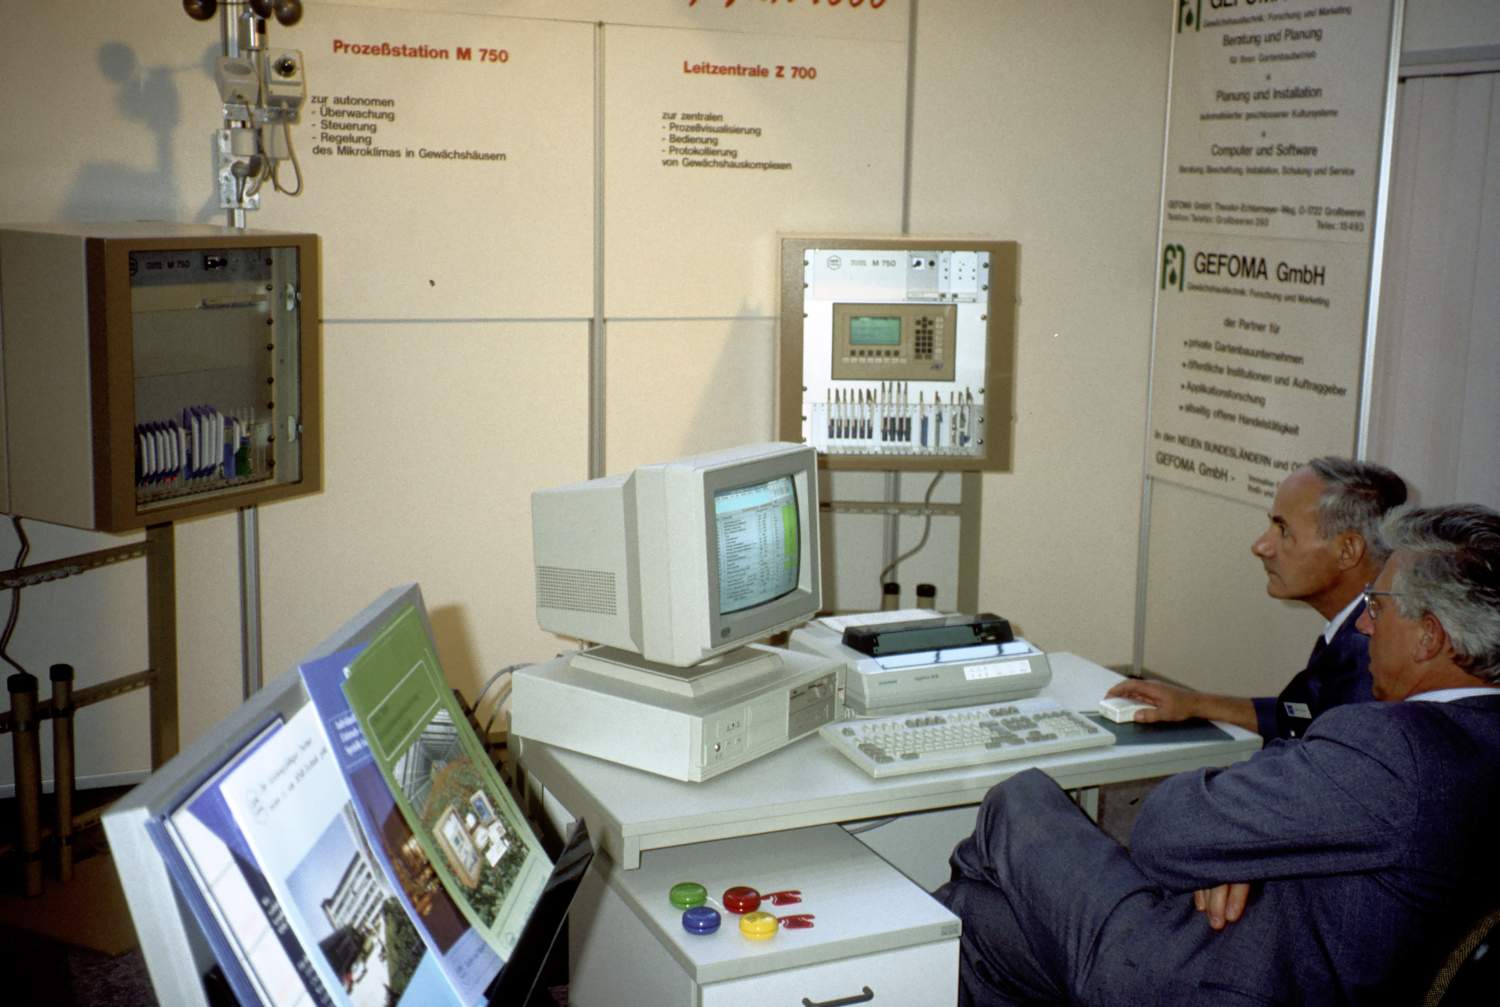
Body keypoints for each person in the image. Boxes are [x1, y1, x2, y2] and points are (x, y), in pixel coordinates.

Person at [937, 504, 1500, 1005]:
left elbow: (1165, 832)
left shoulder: (1394, 747)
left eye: (1377, 605)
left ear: (1429, 637)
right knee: (976, 918)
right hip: (1315, 958)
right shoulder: (1478, 738)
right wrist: (1240, 849)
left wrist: (1228, 848)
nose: (1363, 622)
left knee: (1020, 798)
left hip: (1215, 978)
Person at [1107, 456, 1407, 739]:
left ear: (1347, 551)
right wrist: (1194, 704)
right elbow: (1302, 713)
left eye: (1283, 530)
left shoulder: (1368, 652)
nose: (1261, 546)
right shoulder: (1353, 629)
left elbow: (1320, 759)